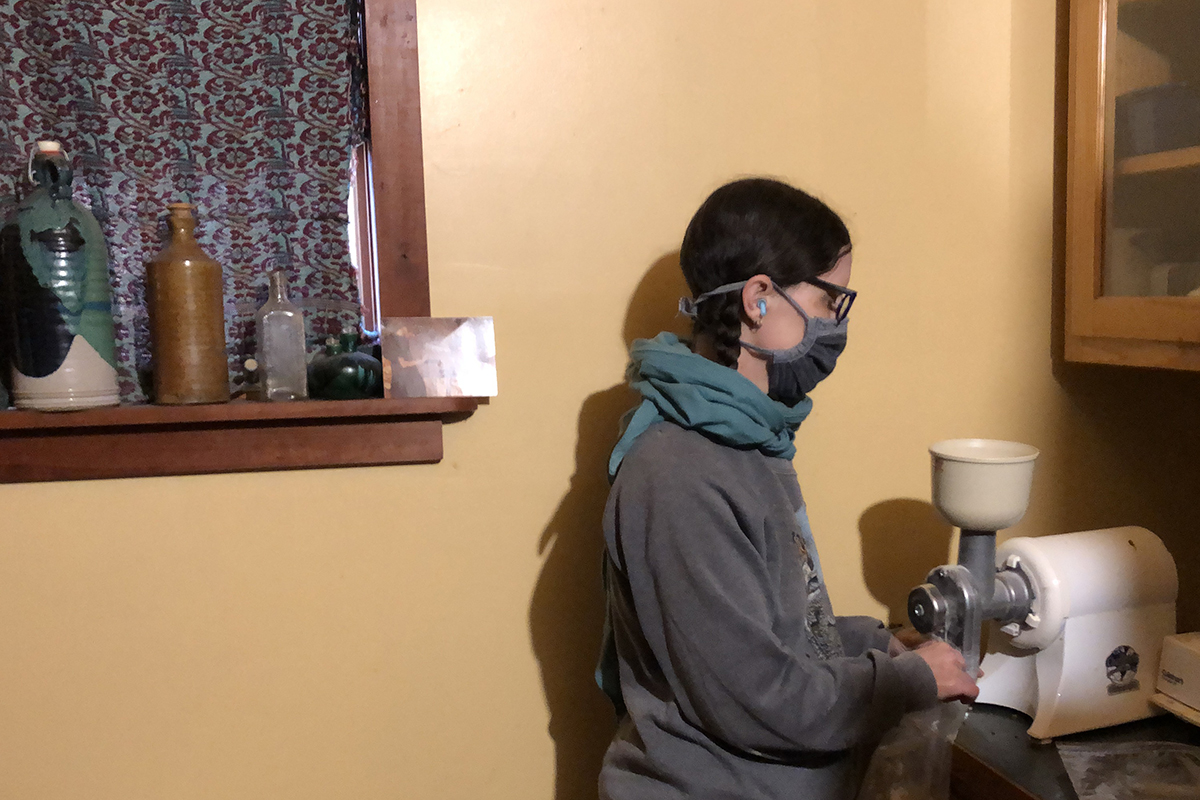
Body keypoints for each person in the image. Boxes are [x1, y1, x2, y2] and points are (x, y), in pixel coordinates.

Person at [596, 178, 978, 800]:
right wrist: (907, 682)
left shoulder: (748, 438)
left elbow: (776, 624)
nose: (836, 326)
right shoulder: (677, 473)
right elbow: (756, 699)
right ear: (759, 300)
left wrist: (876, 642)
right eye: (830, 302)